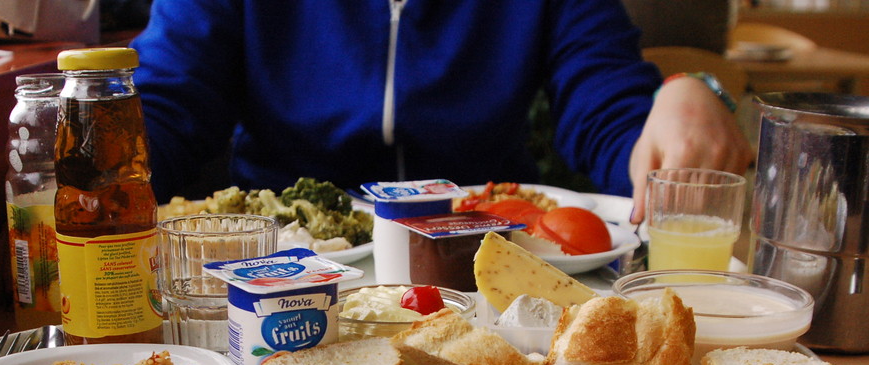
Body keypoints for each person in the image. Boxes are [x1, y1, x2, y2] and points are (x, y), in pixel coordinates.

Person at [131, 0, 751, 223]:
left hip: (486, 254)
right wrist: (92, 157)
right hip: (282, 264)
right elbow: (167, 103)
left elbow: (611, 116)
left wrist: (681, 95)